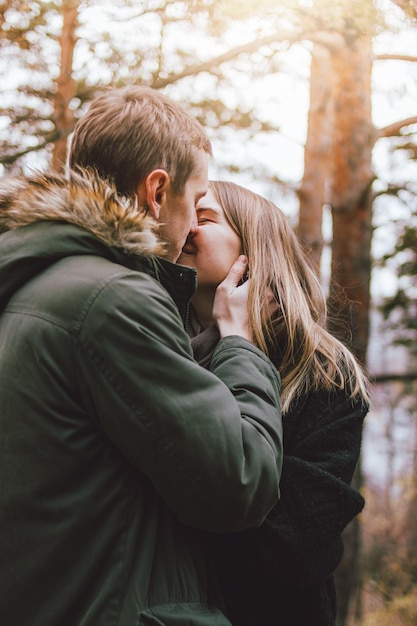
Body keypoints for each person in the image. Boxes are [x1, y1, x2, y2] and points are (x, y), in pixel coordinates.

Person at [0, 87, 284, 626]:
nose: (193, 226)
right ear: (157, 191)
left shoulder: (31, 286)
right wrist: (240, 344)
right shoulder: (113, 299)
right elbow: (240, 482)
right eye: (194, 199)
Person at [178, 180, 371, 626]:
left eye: (204, 218)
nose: (185, 227)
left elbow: (294, 549)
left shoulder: (322, 373)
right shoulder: (150, 342)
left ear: (254, 248)